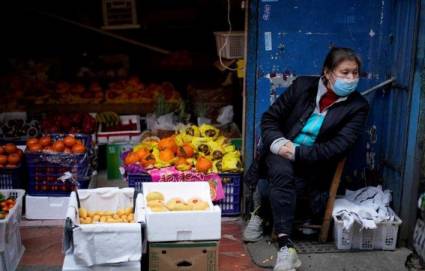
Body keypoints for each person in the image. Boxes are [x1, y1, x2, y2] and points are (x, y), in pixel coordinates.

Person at [243, 47, 369, 271]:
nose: (351, 78)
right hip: (281, 151)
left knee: (286, 178)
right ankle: (286, 247)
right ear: (328, 72)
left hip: (314, 162)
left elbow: (338, 147)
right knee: (281, 171)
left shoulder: (357, 106)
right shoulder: (303, 86)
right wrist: (280, 144)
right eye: (345, 72)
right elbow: (271, 118)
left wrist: (297, 153)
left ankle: (263, 213)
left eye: (355, 73)